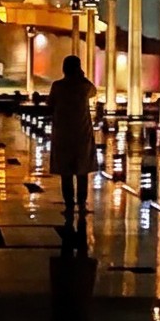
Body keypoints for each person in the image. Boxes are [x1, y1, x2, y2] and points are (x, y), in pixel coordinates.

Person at [48, 55, 96, 214]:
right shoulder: (84, 86)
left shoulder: (57, 86)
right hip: (81, 134)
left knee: (66, 173)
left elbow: (50, 104)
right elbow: (94, 91)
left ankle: (69, 205)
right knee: (82, 172)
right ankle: (82, 204)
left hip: (63, 134)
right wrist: (82, 76)